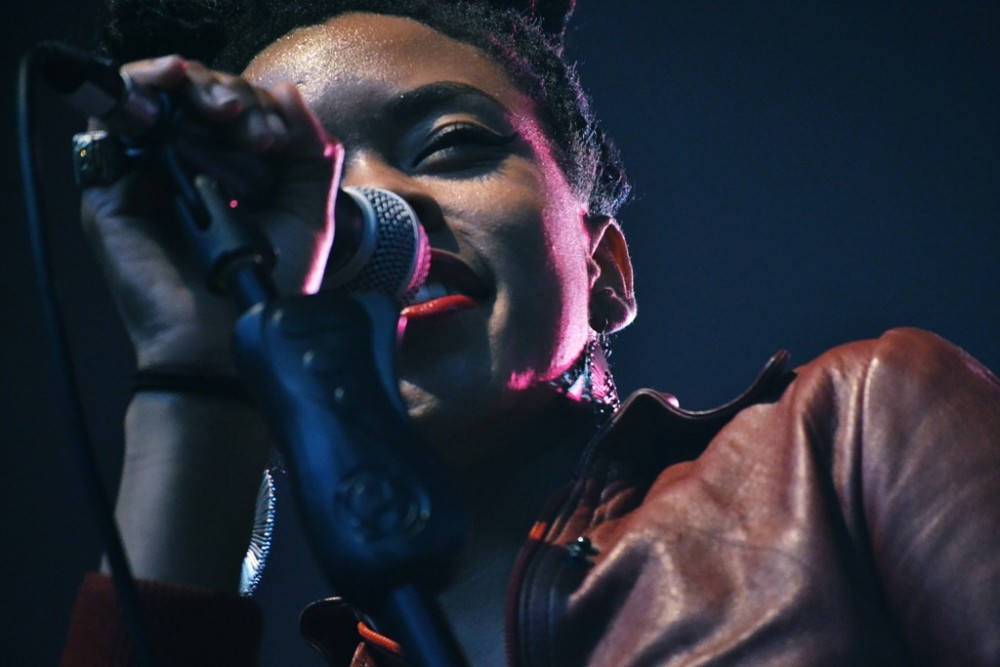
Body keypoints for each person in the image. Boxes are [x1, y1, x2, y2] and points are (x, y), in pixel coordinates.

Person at [60, 0, 1000, 665]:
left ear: (606, 267)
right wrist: (197, 378)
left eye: (454, 144)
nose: (372, 214)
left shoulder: (852, 436)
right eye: (293, 193)